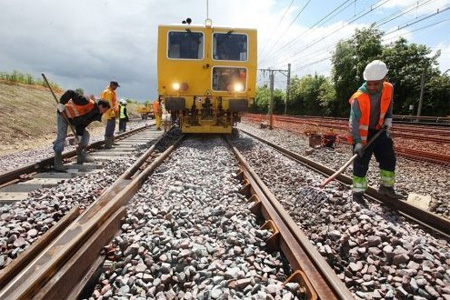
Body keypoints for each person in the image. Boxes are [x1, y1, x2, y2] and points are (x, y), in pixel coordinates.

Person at [348, 60, 401, 204]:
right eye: (369, 83)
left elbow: (389, 104)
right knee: (361, 164)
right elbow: (353, 122)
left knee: (389, 159)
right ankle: (358, 193)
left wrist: (388, 119)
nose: (371, 87)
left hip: (380, 131)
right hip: (363, 136)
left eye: (376, 84)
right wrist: (358, 142)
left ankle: (386, 187)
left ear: (383, 80)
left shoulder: (388, 88)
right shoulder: (358, 98)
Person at [53, 90, 111, 171]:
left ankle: (81, 155)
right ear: (101, 106)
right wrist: (61, 104)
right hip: (63, 114)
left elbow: (82, 124)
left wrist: (79, 136)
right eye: (105, 109)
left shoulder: (94, 114)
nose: (105, 112)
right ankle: (57, 162)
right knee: (61, 136)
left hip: (74, 120)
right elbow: (70, 92)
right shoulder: (86, 101)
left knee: (85, 135)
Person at [101, 81, 120, 148]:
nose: (116, 88)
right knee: (110, 127)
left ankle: (111, 142)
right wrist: (111, 112)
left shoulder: (111, 92)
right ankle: (108, 144)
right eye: (115, 86)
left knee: (112, 127)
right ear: (112, 85)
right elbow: (109, 103)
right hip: (110, 112)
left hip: (112, 112)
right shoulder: (108, 92)